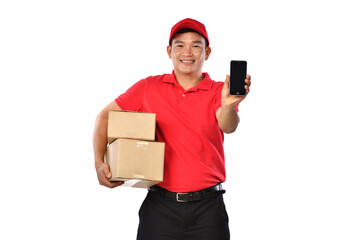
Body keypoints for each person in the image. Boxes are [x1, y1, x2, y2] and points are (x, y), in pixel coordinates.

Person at [93, 18, 251, 240]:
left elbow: (229, 125)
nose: (188, 52)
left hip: (208, 211)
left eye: (196, 45)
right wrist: (99, 163)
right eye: (180, 45)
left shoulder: (218, 91)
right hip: (160, 208)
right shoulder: (149, 87)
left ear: (207, 52)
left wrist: (228, 105)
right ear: (169, 51)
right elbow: (104, 117)